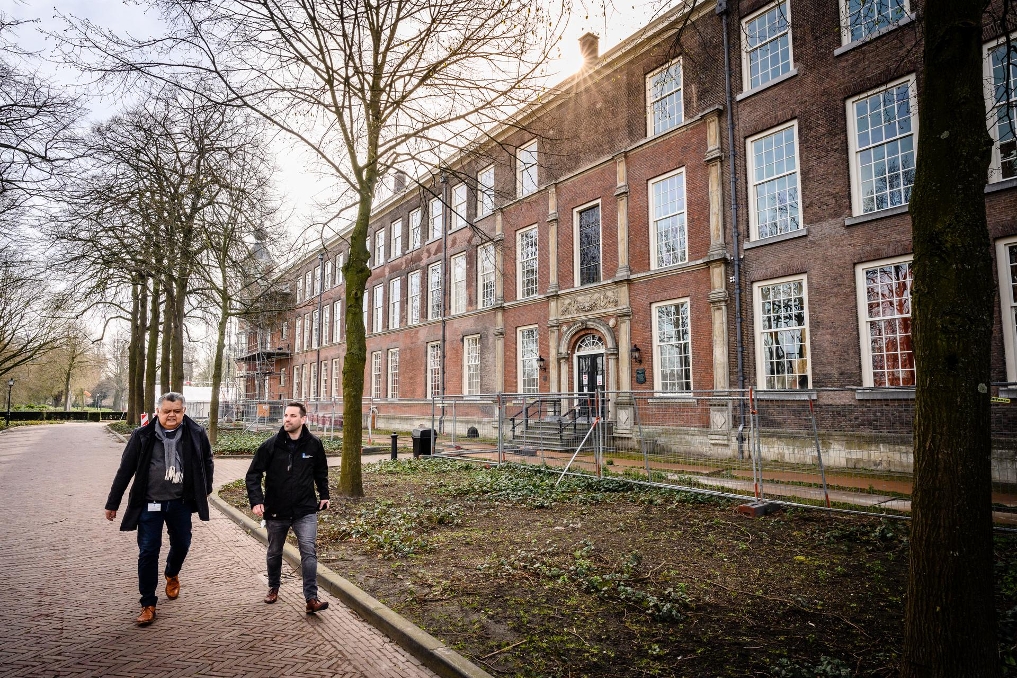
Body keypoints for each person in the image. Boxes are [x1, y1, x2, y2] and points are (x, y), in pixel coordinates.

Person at [104, 392, 214, 626]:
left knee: (182, 544)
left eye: (176, 411)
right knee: (148, 551)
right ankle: (148, 603)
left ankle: (172, 573)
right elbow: (125, 470)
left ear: (184, 411)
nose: (171, 415)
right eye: (166, 411)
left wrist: (206, 488)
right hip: (149, 503)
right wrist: (113, 503)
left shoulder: (196, 433)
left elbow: (207, 460)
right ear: (157, 411)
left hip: (180, 502)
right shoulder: (142, 435)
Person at [245, 401, 331, 613]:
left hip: (305, 509)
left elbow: (321, 471)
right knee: (275, 551)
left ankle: (311, 599)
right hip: (277, 510)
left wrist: (324, 495)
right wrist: (257, 500)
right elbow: (253, 474)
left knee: (309, 551)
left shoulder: (314, 444)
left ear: (303, 419)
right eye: (286, 415)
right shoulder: (271, 445)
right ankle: (273, 587)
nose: (287, 419)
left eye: (292, 416)